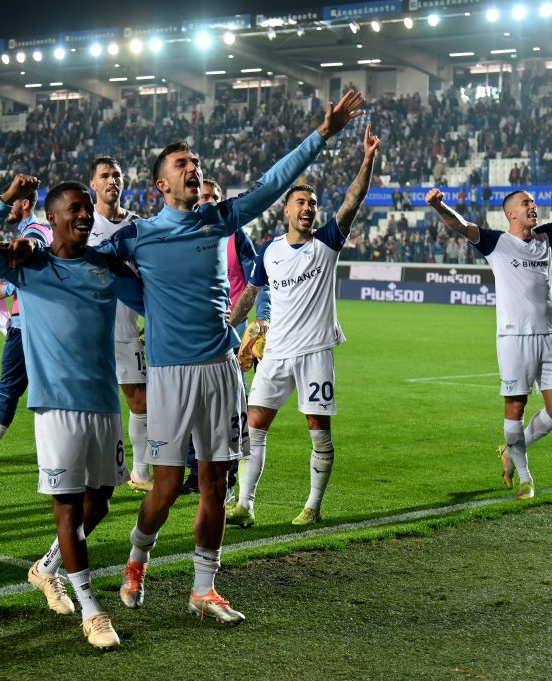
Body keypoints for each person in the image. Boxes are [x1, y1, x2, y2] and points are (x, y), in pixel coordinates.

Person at [94, 90, 366, 624]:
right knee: (165, 487)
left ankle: (204, 588)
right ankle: (137, 559)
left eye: (195, 162)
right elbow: (91, 263)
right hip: (170, 375)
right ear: (161, 185)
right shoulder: (139, 236)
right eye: (181, 164)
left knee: (215, 484)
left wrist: (323, 134)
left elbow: (272, 184)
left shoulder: (217, 219)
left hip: (221, 369)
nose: (192, 168)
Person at [0, 176, 144, 649]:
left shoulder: (104, 265)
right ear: (53, 217)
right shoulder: (29, 265)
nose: (84, 215)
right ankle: (92, 610)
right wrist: (5, 200)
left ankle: (46, 568)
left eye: (87, 209)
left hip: (103, 403)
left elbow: (151, 298)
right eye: (75, 209)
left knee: (99, 504)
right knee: (67, 506)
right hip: (56, 406)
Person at [424, 176, 552, 498]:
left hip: (549, 336)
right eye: (526, 203)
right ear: (511, 214)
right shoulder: (495, 242)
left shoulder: (545, 237)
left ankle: (510, 450)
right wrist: (440, 206)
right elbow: (460, 225)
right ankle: (525, 478)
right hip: (514, 337)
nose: (533, 206)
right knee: (515, 407)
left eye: (533, 202)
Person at [225, 124, 379, 528]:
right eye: (301, 202)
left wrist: (367, 159)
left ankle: (313, 505)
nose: (308, 208)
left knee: (317, 430)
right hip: (275, 352)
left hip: (314, 353)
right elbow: (250, 295)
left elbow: (352, 199)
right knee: (254, 427)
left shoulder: (326, 242)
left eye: (312, 203)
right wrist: (228, 324)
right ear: (287, 210)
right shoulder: (270, 251)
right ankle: (245, 505)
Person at [180, 178, 271, 496]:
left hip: (232, 332)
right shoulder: (182, 237)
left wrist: (262, 316)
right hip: (194, 332)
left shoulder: (236, 235)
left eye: (215, 197)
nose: (209, 201)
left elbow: (259, 278)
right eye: (204, 196)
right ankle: (195, 472)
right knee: (192, 403)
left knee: (232, 403)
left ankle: (229, 471)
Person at [0, 188, 52, 464]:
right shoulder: (35, 230)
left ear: (25, 203)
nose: (8, 209)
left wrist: (7, 288)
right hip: (37, 322)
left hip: (25, 324)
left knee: (9, 388)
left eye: (11, 202)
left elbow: (38, 255)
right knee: (42, 388)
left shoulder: (35, 231)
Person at [87, 156, 151, 492]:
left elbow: (150, 276)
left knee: (140, 403)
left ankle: (140, 472)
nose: (112, 180)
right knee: (92, 405)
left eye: (116, 175)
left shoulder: (138, 226)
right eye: (104, 176)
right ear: (93, 184)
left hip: (126, 330)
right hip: (90, 334)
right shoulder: (82, 223)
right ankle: (92, 472)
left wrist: (151, 316)